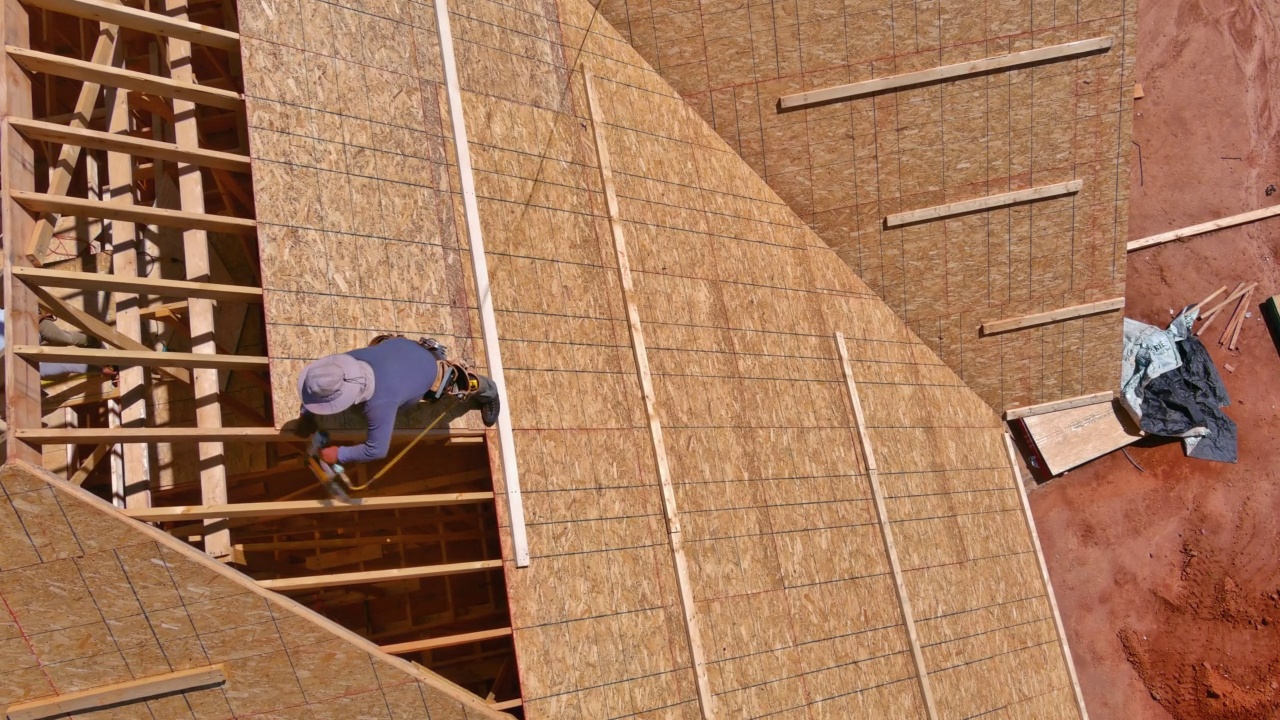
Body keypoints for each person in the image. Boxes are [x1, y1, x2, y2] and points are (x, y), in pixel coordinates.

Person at [295, 336, 500, 466]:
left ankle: (489, 391)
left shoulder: (379, 405)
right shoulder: (343, 363)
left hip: (431, 363)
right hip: (402, 348)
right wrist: (307, 413)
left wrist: (339, 454)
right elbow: (321, 387)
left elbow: (376, 450)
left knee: (458, 382)